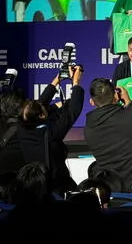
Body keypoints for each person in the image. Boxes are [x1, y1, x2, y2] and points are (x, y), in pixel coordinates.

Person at [0, 67, 84, 195]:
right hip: (54, 187)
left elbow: (39, 104)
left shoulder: (22, 128)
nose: (43, 105)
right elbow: (73, 111)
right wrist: (76, 82)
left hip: (34, 186)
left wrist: (57, 80)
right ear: (42, 116)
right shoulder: (50, 133)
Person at [84, 78, 132, 191]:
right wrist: (129, 102)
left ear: (92, 101)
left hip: (111, 190)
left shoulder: (89, 126)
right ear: (116, 96)